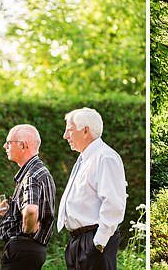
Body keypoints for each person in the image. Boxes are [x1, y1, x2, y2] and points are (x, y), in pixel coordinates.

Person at [58, 108, 127, 269]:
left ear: (85, 131)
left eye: (69, 130)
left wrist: (98, 243)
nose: (65, 136)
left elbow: (114, 204)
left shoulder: (105, 157)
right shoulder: (86, 159)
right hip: (79, 242)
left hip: (93, 243)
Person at [0, 125, 57, 269]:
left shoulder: (31, 176)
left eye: (9, 142)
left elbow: (31, 211)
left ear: (23, 146)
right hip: (33, 250)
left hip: (22, 249)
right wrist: (10, 212)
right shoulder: (41, 171)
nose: (5, 146)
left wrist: (27, 231)